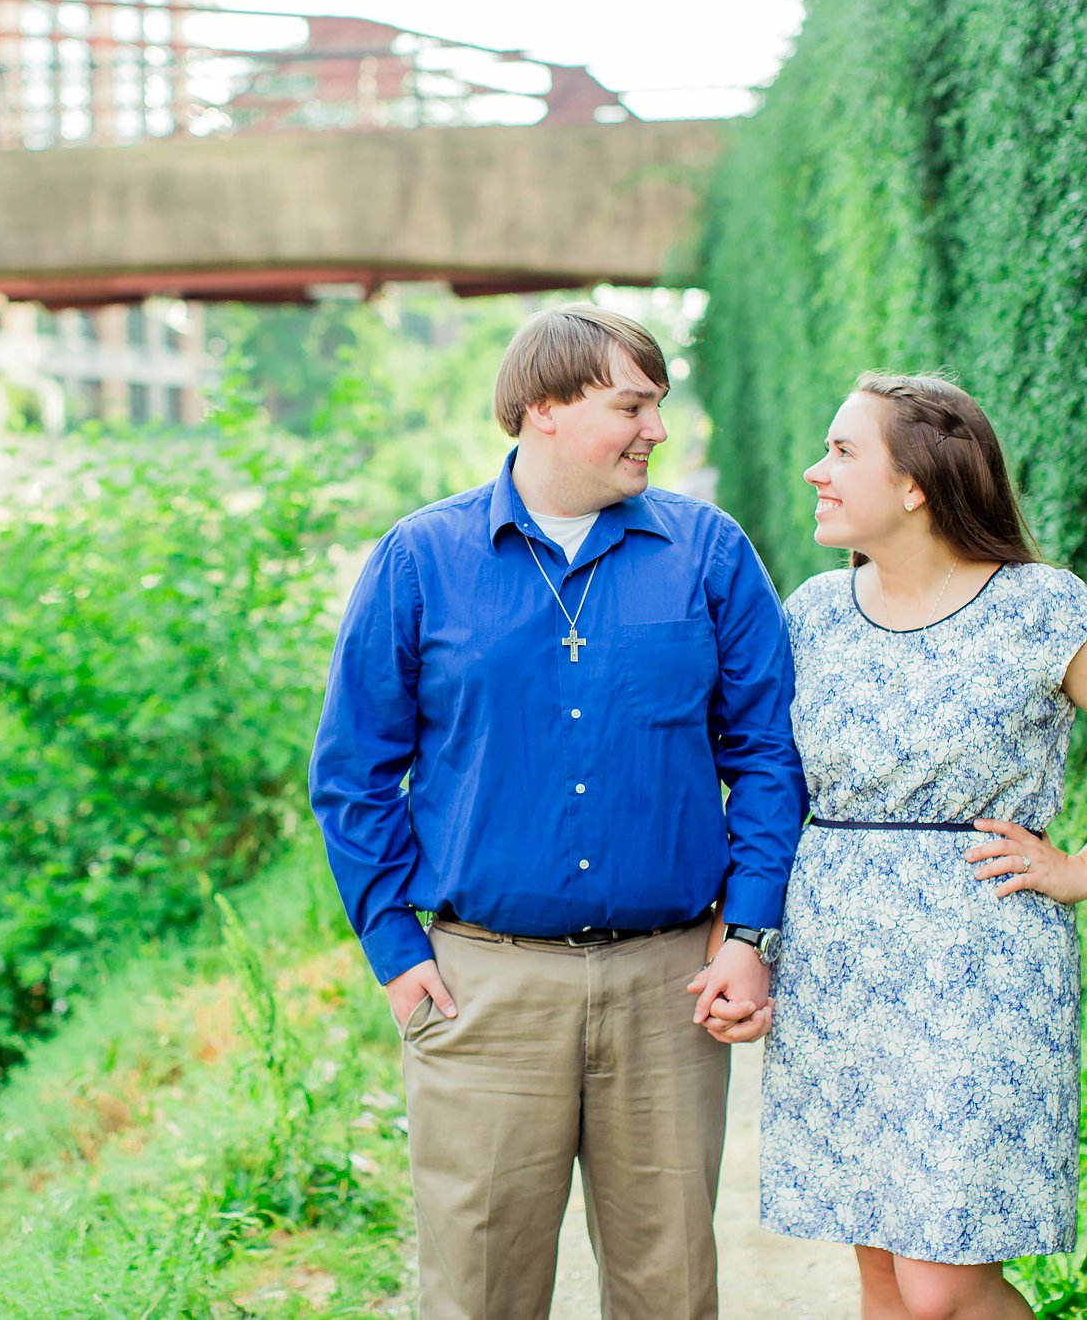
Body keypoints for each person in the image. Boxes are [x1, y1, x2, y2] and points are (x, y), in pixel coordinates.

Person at [309, 303, 807, 1320]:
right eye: (630, 405)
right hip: (480, 986)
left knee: (669, 1292)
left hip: (670, 984)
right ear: (541, 406)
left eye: (657, 406)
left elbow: (764, 755)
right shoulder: (418, 560)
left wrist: (749, 930)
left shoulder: (707, 555)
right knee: (478, 1293)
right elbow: (354, 771)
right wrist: (395, 950)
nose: (655, 431)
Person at [756, 371, 1087, 1319]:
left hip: (977, 969)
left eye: (844, 451)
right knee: (885, 1270)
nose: (816, 471)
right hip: (838, 967)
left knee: (943, 1283)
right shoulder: (813, 611)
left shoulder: (1040, 608)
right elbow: (769, 783)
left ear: (916, 484)